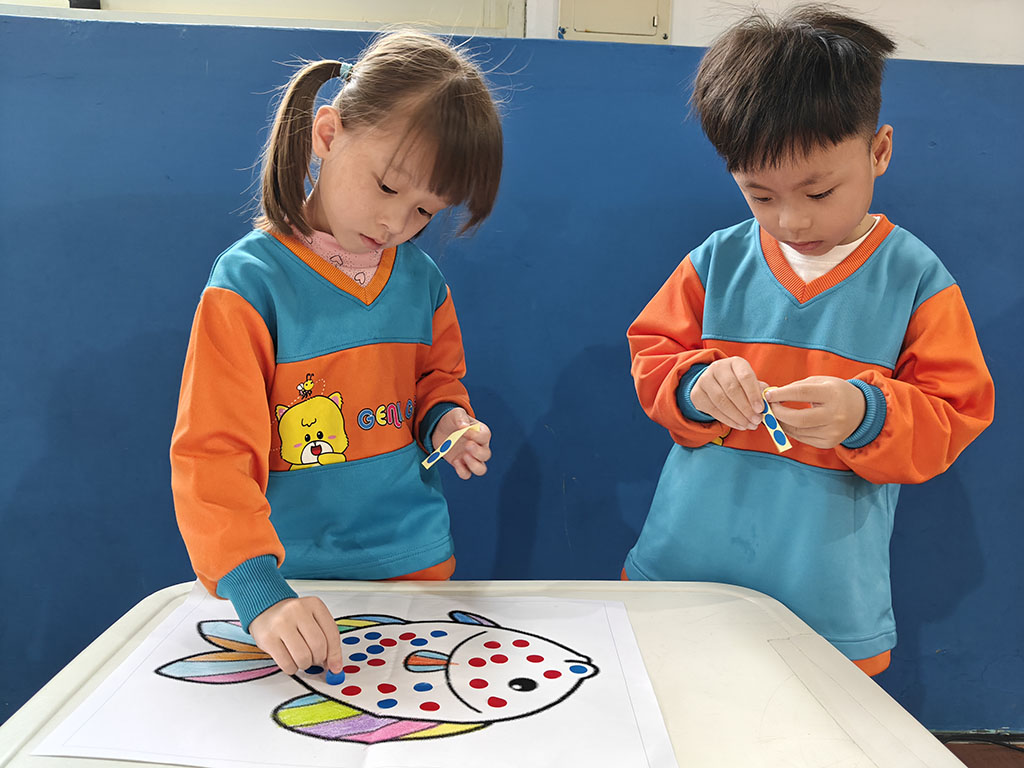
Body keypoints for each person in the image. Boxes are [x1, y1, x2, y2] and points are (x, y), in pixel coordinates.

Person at [622, 5, 994, 676]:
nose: (792, 221)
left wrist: (865, 414)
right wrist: (695, 387)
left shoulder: (915, 279)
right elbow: (653, 357)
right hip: (685, 562)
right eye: (760, 197)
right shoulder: (716, 261)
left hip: (825, 590)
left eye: (819, 192)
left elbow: (955, 413)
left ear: (879, 151)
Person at [170, 30, 502, 677]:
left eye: (424, 211)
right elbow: (212, 455)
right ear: (328, 134)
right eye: (387, 188)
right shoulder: (249, 284)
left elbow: (436, 381)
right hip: (291, 588)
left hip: (415, 566)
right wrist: (260, 593)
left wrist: (448, 423)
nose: (395, 225)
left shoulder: (422, 281)